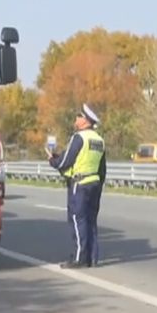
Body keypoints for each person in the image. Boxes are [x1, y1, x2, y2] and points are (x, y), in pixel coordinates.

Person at [46, 104, 107, 269]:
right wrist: (99, 185)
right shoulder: (99, 140)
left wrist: (53, 160)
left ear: (85, 120)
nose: (76, 119)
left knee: (77, 219)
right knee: (91, 220)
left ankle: (79, 257)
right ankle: (92, 258)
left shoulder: (79, 138)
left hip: (79, 185)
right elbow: (102, 169)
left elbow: (66, 161)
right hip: (94, 183)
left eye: (78, 116)